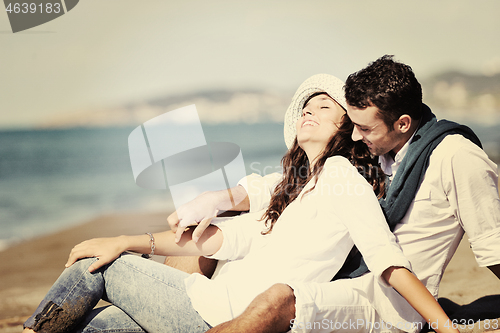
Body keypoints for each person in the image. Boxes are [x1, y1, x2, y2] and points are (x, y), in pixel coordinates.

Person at [23, 74, 459, 333]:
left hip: (222, 314)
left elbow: (387, 257)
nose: (309, 110)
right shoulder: (297, 189)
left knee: (94, 267)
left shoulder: (341, 177)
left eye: (323, 107)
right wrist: (130, 239)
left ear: (344, 131)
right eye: (306, 105)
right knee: (102, 326)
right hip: (206, 300)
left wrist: (441, 324)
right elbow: (218, 240)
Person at [168, 56, 500, 333]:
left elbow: (493, 245)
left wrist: (444, 325)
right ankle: (170, 313)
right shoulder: (375, 148)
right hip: (341, 274)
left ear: (401, 123)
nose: (355, 135)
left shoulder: (455, 157)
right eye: (352, 124)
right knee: (207, 230)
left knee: (276, 298)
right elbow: (292, 181)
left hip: (384, 301)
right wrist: (220, 198)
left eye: (364, 128)